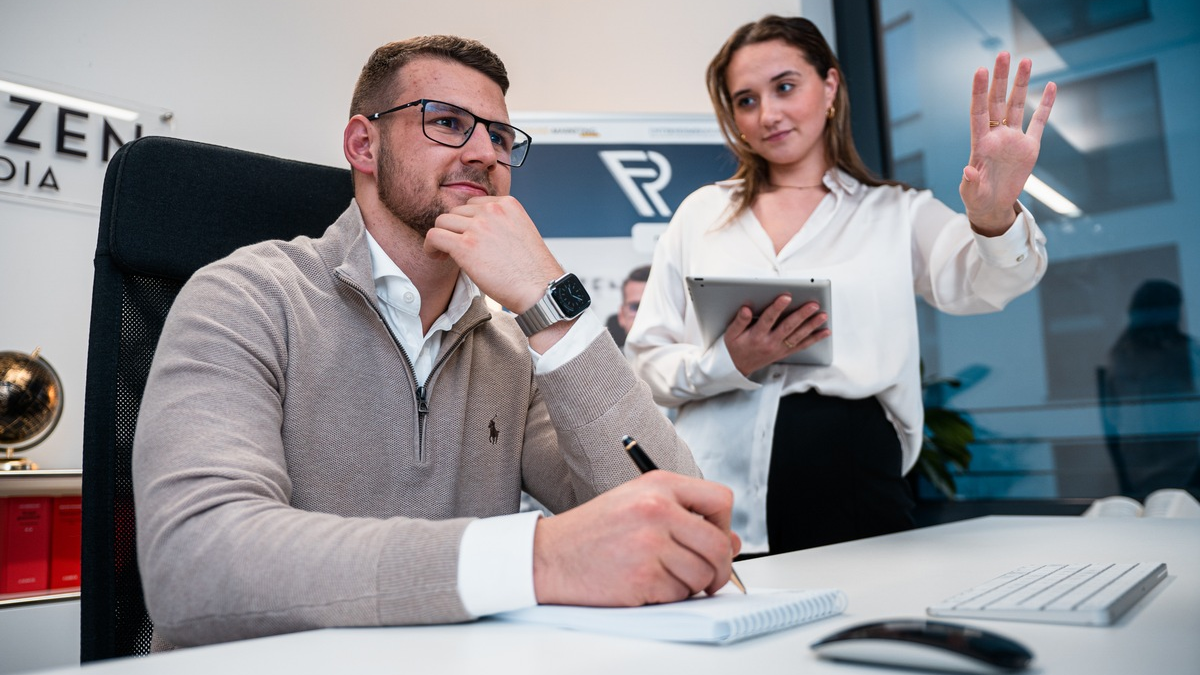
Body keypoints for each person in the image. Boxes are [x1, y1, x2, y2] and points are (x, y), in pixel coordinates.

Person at [132, 35, 739, 650]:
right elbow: (194, 565)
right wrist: (536, 559)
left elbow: (683, 523)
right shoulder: (246, 297)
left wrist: (550, 304)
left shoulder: (509, 351)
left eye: (501, 138)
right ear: (363, 145)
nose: (484, 153)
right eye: (447, 122)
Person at [626, 15, 1056, 555]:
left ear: (829, 86)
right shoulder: (700, 213)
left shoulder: (896, 213)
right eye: (746, 100)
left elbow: (987, 283)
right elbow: (646, 364)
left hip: (853, 481)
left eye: (785, 87)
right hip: (716, 487)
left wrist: (994, 215)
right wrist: (729, 361)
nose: (768, 114)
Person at [1101, 279, 1200, 498]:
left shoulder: (1120, 354)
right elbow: (1114, 415)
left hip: (1177, 464)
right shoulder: (1123, 355)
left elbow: (1113, 415)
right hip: (1161, 466)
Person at [605, 264, 651, 348]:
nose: (645, 314)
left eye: (653, 307)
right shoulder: (603, 360)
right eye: (636, 307)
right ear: (622, 315)